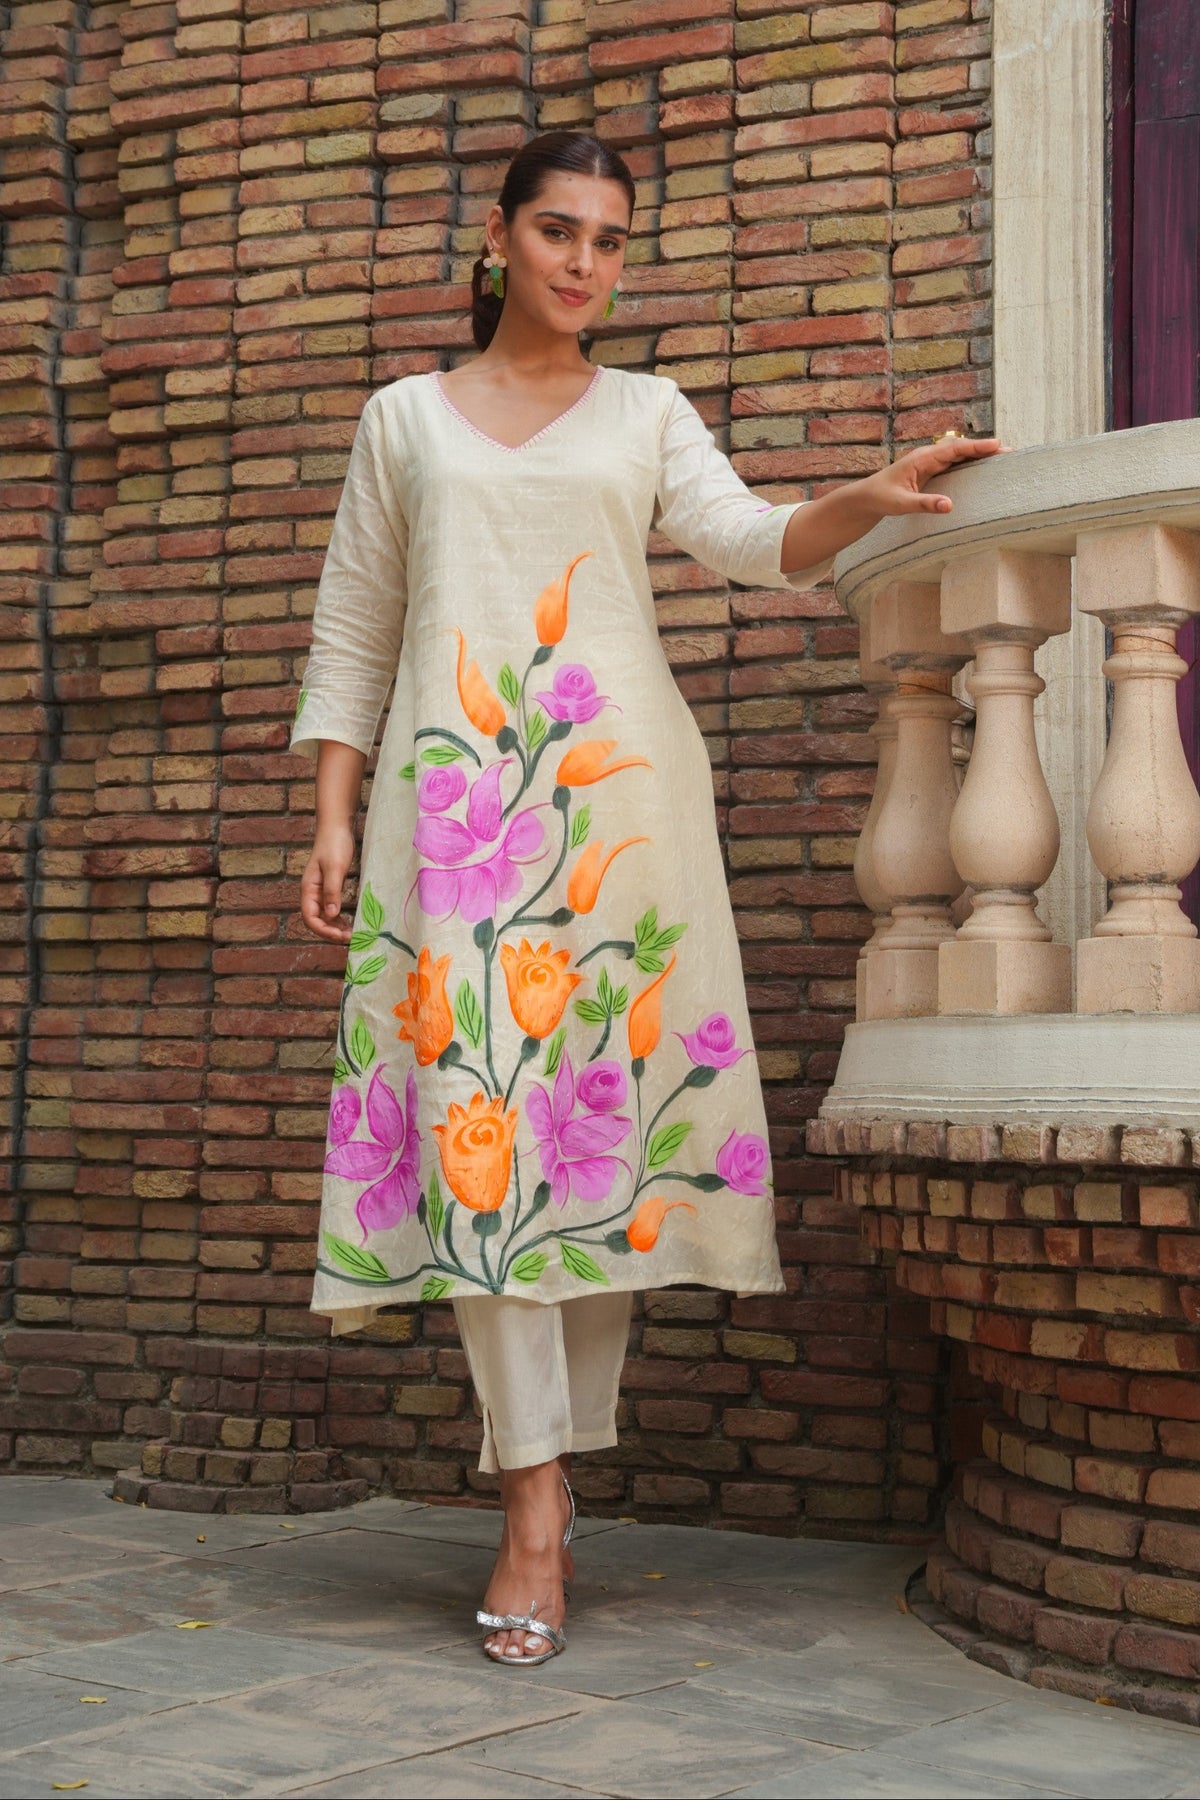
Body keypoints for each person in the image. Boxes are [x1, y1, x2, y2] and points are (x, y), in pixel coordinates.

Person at [292, 130, 1003, 1668]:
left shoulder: (649, 412)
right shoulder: (404, 419)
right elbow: (357, 619)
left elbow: (751, 543)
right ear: (498, 238)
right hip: (454, 820)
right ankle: (532, 1501)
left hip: (621, 814)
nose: (584, 262)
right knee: (480, 1139)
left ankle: (552, 1477)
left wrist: (866, 496)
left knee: (588, 1143)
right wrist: (335, 812)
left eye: (610, 239)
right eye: (559, 230)